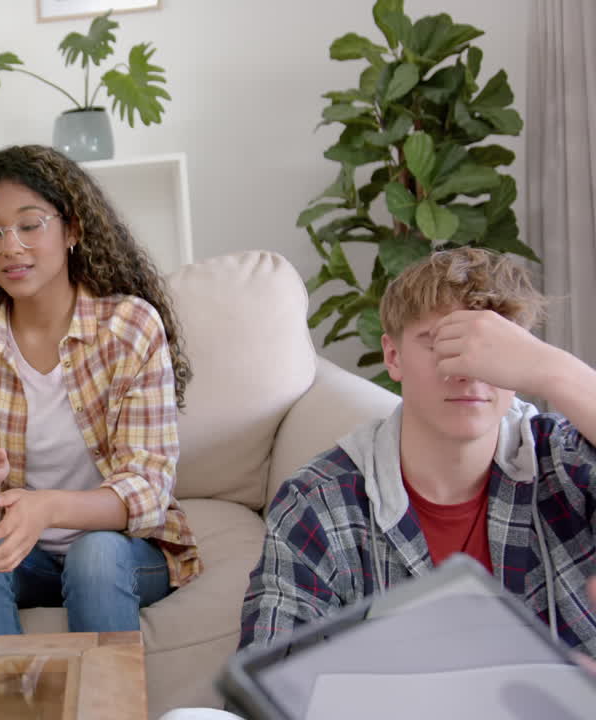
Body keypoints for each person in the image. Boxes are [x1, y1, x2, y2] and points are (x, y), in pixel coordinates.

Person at [240, 247, 596, 658]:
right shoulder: (319, 504)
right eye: (441, 344)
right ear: (393, 356)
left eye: (492, 350)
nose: (467, 371)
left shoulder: (565, 462)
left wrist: (553, 370)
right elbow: (267, 682)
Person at [0, 144, 199, 637]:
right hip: (23, 553)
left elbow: (147, 488)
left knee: (94, 555)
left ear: (73, 229)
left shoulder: (129, 326)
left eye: (30, 225)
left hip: (121, 549)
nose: (11, 247)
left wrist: (48, 507)